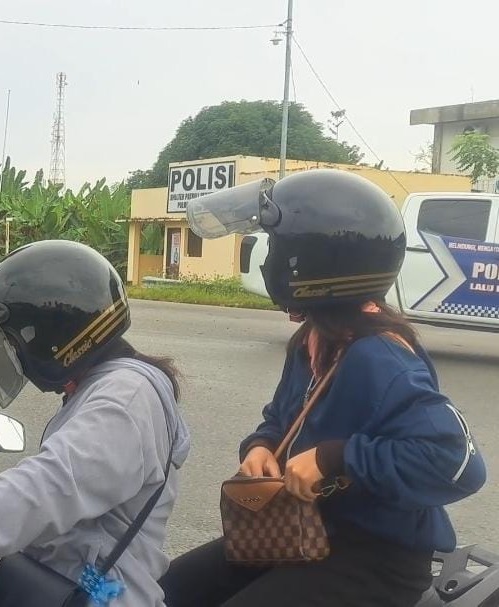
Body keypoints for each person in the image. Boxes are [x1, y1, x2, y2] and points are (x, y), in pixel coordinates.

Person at [158, 169, 487, 606]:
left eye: (277, 246)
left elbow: (456, 463)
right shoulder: (313, 340)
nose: (270, 258)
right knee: (167, 589)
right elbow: (282, 417)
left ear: (313, 259)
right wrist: (261, 445)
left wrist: (339, 457)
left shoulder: (378, 356)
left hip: (375, 556)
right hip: (299, 530)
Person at [0, 240, 191, 607]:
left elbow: (48, 488)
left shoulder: (125, 400)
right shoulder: (107, 386)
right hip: (63, 585)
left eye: (11, 341)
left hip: (99, 597)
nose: (12, 353)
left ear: (48, 336)